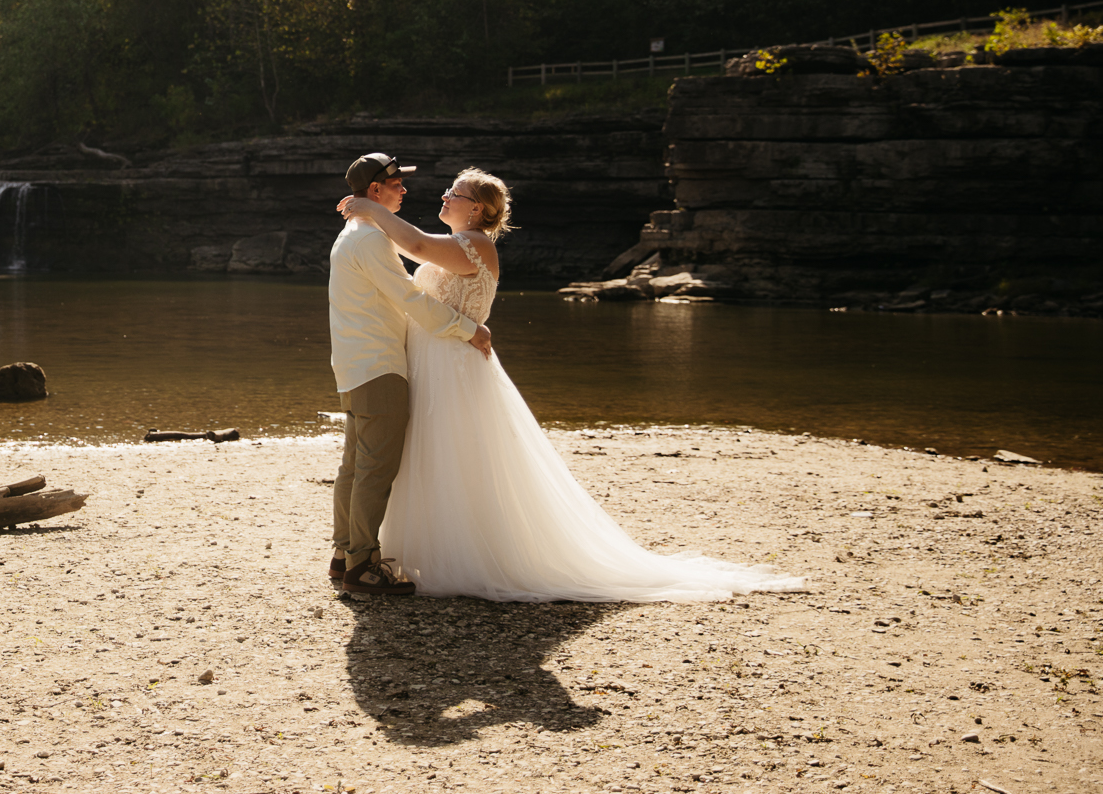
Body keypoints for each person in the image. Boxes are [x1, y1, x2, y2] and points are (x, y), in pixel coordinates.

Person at [337, 168, 803, 603]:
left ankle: (462, 555)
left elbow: (415, 246)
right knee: (427, 455)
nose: (443, 195)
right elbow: (406, 255)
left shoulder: (474, 246)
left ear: (476, 209)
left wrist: (370, 207)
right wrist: (371, 215)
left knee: (456, 455)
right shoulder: (456, 240)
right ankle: (401, 549)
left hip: (452, 364)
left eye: (454, 193)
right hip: (430, 359)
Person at [328, 153, 492, 597]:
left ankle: (343, 554)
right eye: (397, 184)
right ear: (376, 191)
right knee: (375, 470)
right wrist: (467, 329)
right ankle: (361, 565)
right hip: (379, 367)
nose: (404, 190)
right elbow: (408, 298)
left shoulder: (354, 234)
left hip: (353, 365)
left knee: (354, 465)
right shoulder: (369, 240)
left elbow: (413, 255)